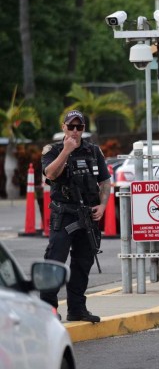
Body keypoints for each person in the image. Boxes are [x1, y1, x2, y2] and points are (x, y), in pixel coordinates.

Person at [40, 110, 111, 322]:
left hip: (88, 215)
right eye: (71, 126)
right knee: (55, 261)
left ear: (83, 129)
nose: (74, 131)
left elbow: (105, 181)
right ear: (63, 127)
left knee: (82, 263)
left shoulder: (93, 151)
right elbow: (51, 174)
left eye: (79, 127)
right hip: (64, 215)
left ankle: (77, 309)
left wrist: (103, 205)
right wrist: (66, 151)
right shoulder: (52, 150)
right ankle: (47, 310)